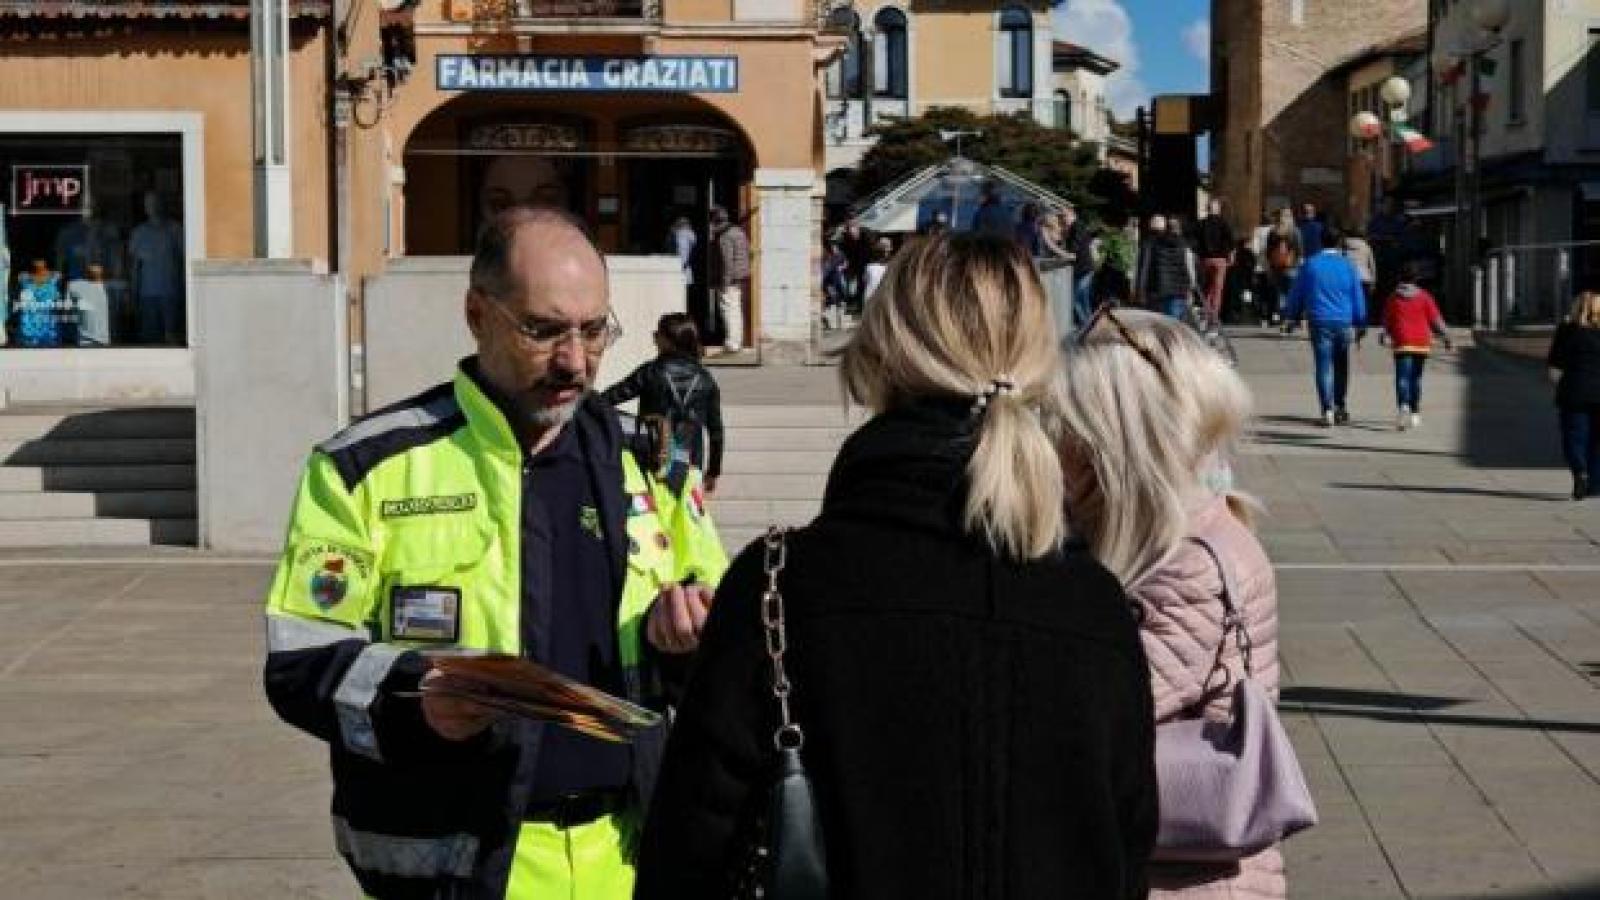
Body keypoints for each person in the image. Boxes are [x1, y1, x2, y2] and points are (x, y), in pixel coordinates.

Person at [636, 232, 1158, 899]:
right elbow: (1127, 853)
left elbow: (687, 853)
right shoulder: (1095, 603)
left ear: (877, 355)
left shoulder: (779, 587)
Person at [263, 206, 729, 899]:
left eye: (594, 330)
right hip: (458, 863)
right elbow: (300, 663)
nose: (575, 360)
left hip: (630, 858)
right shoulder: (367, 465)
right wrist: (417, 697)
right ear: (478, 313)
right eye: (542, 330)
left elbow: (730, 643)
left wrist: (690, 643)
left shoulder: (652, 465)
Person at [1058, 307, 1285, 899]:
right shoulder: (1155, 540)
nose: (1053, 439)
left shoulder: (1187, 563)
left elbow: (1087, 716)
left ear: (1112, 441)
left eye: (1064, 423)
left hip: (1183, 881)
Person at [601, 312, 725, 494]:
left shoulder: (651, 372)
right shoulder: (706, 379)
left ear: (669, 341)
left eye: (657, 335)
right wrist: (713, 471)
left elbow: (607, 399)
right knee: (685, 519)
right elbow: (716, 432)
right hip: (690, 464)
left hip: (653, 459)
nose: (654, 339)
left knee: (653, 516)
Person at [1284, 223, 1367, 426]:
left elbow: (1297, 293)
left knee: (1323, 365)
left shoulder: (1310, 265)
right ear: (1339, 242)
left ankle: (1326, 409)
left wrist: (1291, 315)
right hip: (1343, 321)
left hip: (1319, 320)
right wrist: (1361, 321)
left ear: (1321, 241)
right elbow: (1357, 294)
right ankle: (1340, 405)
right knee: (1341, 365)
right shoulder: (1348, 266)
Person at [1380, 263, 1452, 431]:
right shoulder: (1425, 297)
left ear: (1400, 278)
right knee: (1416, 378)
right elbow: (1436, 320)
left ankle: (1403, 405)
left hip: (1402, 341)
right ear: (1417, 278)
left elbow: (1386, 320)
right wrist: (1447, 337)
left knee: (1402, 377)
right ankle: (1415, 413)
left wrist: (1384, 335)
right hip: (1421, 342)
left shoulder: (1393, 298)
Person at [1547, 291, 1600, 500]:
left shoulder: (1567, 331)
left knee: (1574, 437)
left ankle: (1580, 472)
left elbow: (1554, 367)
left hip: (1573, 392)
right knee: (1597, 440)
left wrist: (1559, 383)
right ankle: (1595, 484)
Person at [128, 191, 185, 345]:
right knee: (150, 339)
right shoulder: (138, 233)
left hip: (171, 292)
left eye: (155, 202)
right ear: (145, 207)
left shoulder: (175, 230)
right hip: (147, 294)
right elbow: (135, 266)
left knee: (172, 336)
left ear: (163, 204)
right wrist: (133, 293)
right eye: (148, 203)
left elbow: (184, 260)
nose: (152, 207)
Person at [708, 205, 751, 355]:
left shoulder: (724, 237)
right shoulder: (739, 232)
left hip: (731, 279)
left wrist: (724, 282)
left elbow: (727, 262)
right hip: (740, 276)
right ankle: (736, 341)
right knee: (736, 309)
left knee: (729, 310)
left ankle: (732, 343)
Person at [1139, 214, 1197, 320]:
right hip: (1179, 290)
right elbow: (1190, 268)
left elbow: (1145, 268)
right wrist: (1191, 286)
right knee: (1176, 321)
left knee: (1159, 321)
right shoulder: (1185, 245)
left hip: (1159, 289)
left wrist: (1141, 288)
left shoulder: (1155, 245)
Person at [1196, 198, 1236, 325]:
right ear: (1218, 209)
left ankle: (1205, 314)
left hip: (1205, 260)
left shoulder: (1201, 224)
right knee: (1217, 289)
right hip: (1220, 261)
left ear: (1208, 209)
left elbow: (1195, 242)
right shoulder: (1224, 223)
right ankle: (1213, 317)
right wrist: (1231, 256)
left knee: (1207, 288)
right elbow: (1231, 242)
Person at [1264, 208, 1303, 326]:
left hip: (1276, 266)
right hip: (1292, 266)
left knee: (1280, 293)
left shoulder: (1273, 231)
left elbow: (1268, 251)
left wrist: (1270, 265)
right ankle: (1290, 318)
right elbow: (1299, 249)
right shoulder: (1295, 231)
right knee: (1292, 293)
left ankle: (1281, 316)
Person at [1343, 226, 1377, 312]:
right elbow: (1371, 265)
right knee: (1364, 303)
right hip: (1365, 277)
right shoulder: (1366, 246)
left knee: (1350, 303)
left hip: (1349, 278)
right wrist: (1373, 281)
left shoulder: (1344, 246)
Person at [668, 215, 696, 309]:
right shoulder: (689, 235)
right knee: (684, 297)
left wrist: (678, 267)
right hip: (685, 271)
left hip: (679, 272)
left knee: (679, 298)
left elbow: (682, 253)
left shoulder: (681, 234)